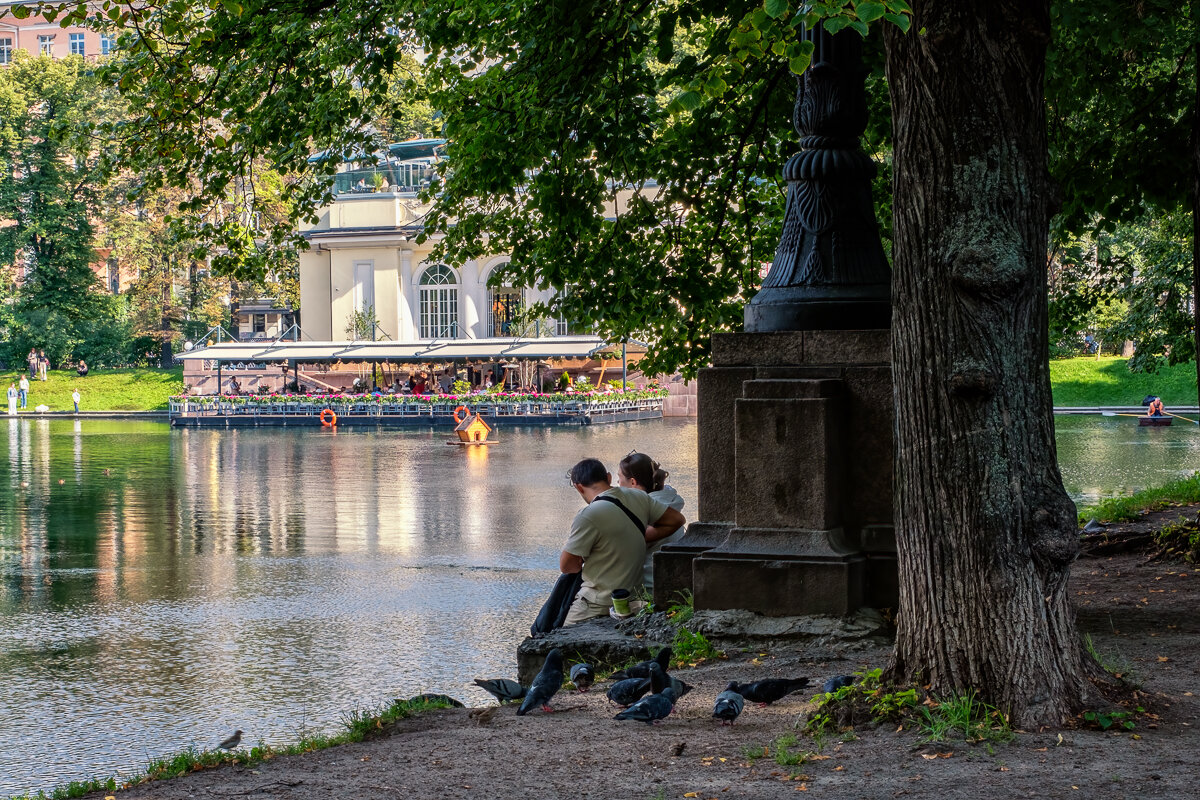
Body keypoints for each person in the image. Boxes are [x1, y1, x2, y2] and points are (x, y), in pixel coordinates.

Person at [560, 458, 685, 625]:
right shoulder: (639, 497)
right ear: (609, 477)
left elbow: (568, 566)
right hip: (632, 599)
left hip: (597, 602)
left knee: (559, 641)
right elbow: (676, 520)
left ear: (578, 487)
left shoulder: (588, 515)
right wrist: (637, 536)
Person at [616, 452, 686, 591]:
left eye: (619, 478)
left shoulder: (643, 511)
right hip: (676, 580)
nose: (618, 483)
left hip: (648, 586)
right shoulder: (670, 502)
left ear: (633, 482)